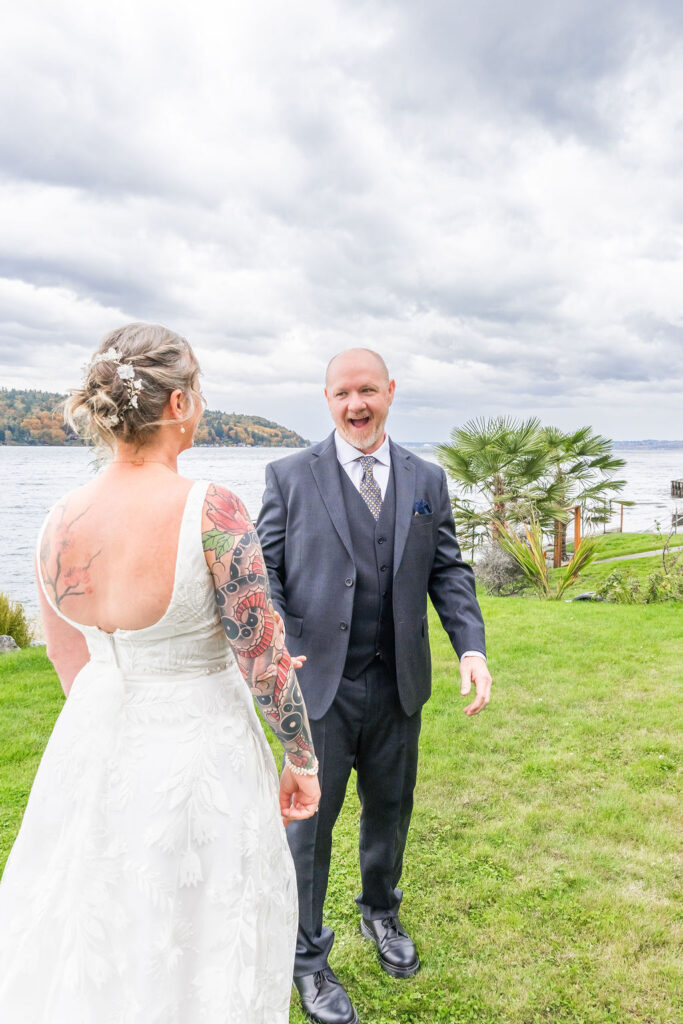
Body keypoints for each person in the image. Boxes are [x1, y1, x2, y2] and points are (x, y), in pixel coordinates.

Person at [0, 323, 320, 1024]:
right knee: (196, 927)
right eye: (197, 388)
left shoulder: (56, 520)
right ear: (177, 405)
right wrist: (300, 756)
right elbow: (263, 658)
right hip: (198, 748)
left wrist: (109, 734)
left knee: (98, 918)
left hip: (92, 740)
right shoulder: (213, 510)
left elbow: (67, 656)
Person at [257, 348, 492, 1024]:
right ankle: (305, 957)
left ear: (389, 391)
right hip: (317, 688)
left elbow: (447, 570)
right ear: (325, 398)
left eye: (367, 390)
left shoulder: (427, 478)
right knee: (310, 829)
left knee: (389, 811)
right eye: (342, 393)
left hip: (398, 686)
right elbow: (265, 570)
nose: (355, 405)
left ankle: (380, 912)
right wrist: (274, 642)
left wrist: (469, 648)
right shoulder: (288, 475)